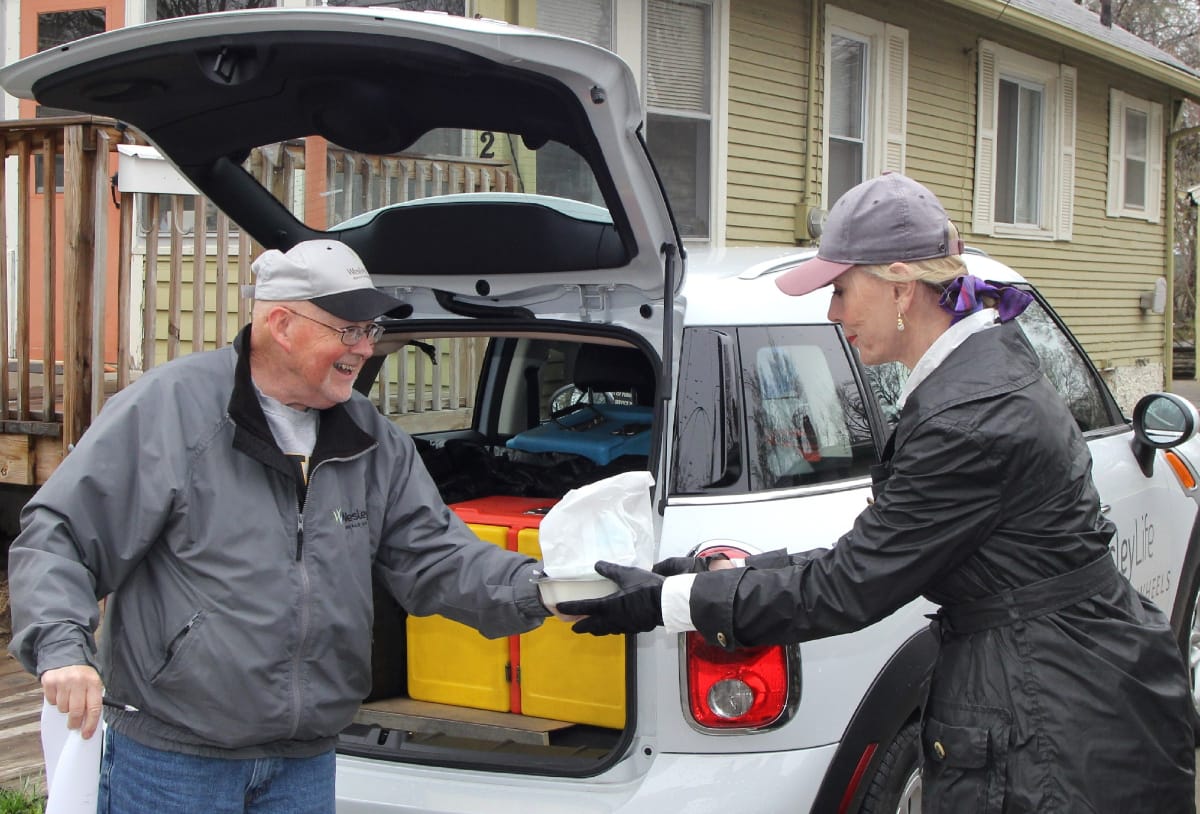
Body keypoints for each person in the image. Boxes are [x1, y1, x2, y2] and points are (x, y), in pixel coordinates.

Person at [558, 173, 1197, 812]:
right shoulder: (979, 374)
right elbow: (878, 549)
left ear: (899, 285)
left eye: (840, 290)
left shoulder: (967, 419)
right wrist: (724, 575)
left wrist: (671, 601)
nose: (832, 313)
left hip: (1049, 717)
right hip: (1064, 680)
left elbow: (850, 585)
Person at [7, 239, 553, 813]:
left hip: (305, 761)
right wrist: (62, 647)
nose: (365, 348)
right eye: (348, 330)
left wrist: (551, 589)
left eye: (369, 330)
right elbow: (59, 533)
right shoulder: (170, 410)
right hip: (175, 760)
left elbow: (437, 558)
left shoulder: (372, 440)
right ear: (282, 324)